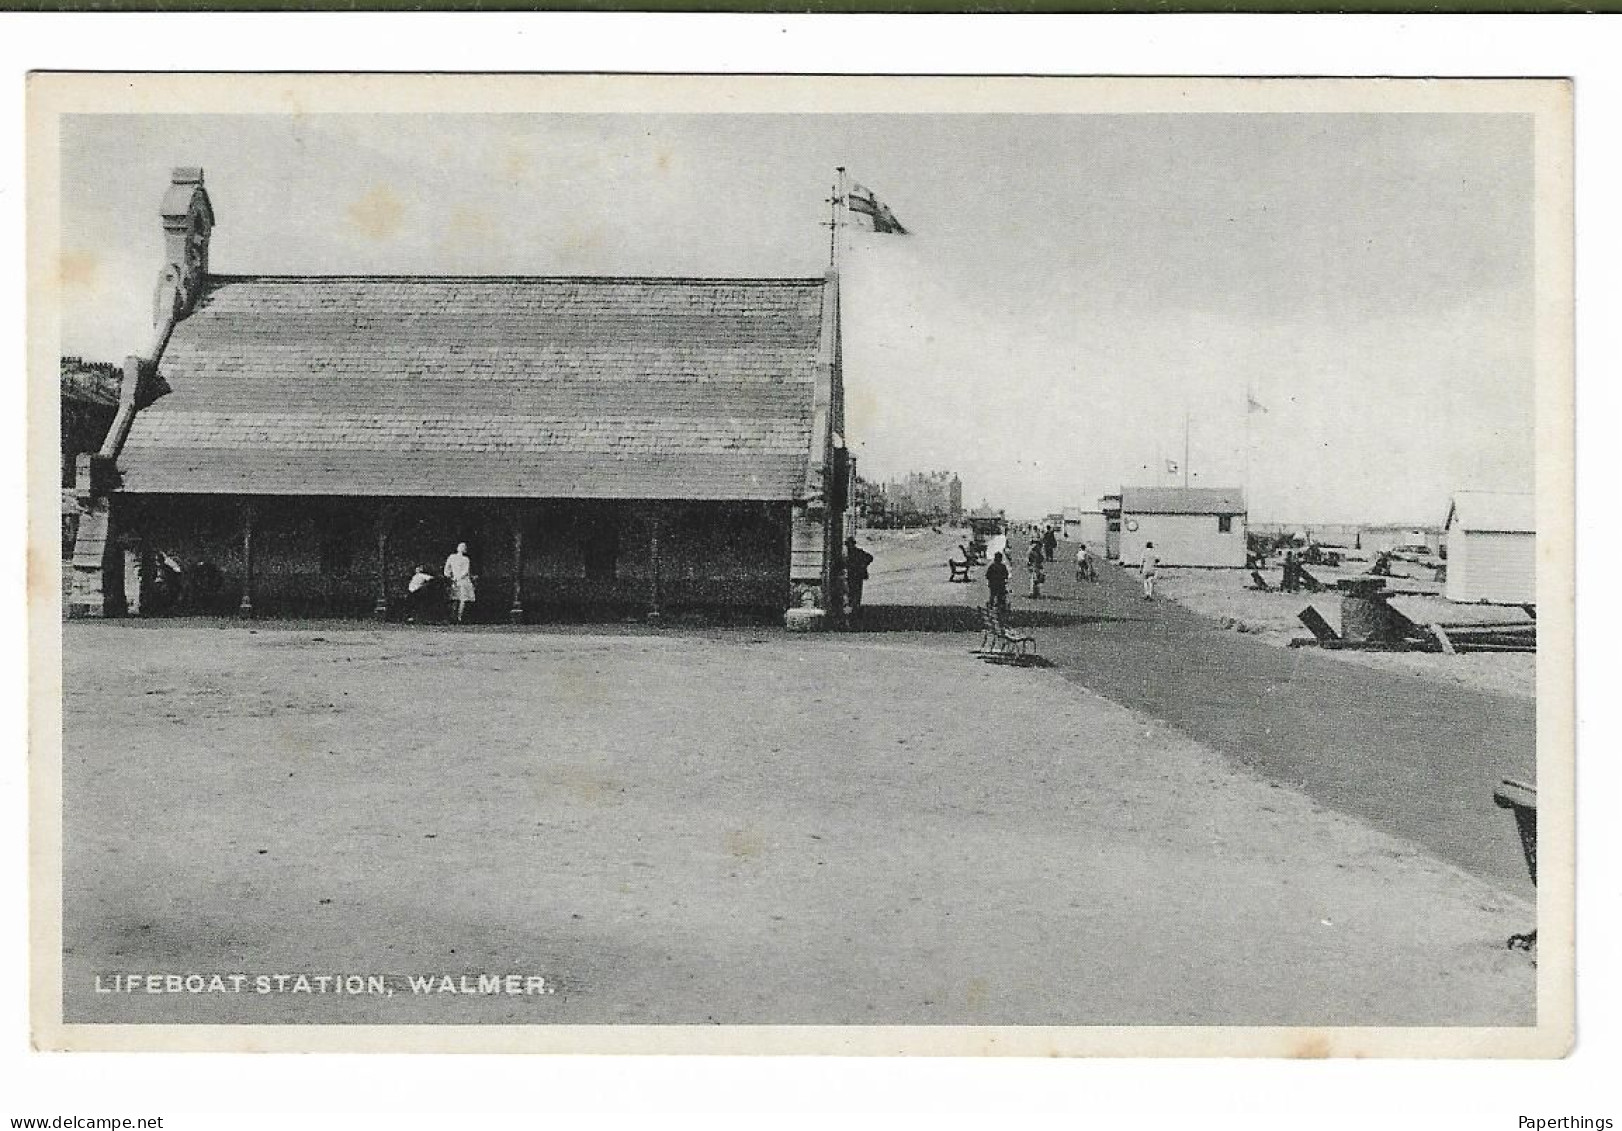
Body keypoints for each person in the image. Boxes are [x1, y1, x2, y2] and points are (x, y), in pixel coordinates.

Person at [444, 542, 476, 624]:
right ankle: (454, 617)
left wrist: (457, 578)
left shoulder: (466, 559)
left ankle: (459, 617)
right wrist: (450, 577)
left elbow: (466, 571)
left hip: (463, 580)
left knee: (462, 599)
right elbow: (446, 569)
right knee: (455, 598)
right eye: (461, 547)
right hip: (455, 580)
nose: (462, 548)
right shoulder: (452, 557)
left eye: (464, 547)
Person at [843, 537, 874, 618]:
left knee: (853, 592)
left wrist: (863, 565)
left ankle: (854, 609)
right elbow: (870, 558)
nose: (848, 546)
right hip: (855, 575)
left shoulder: (855, 553)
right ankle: (855, 608)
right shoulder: (854, 553)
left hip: (855, 575)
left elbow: (870, 557)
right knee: (854, 592)